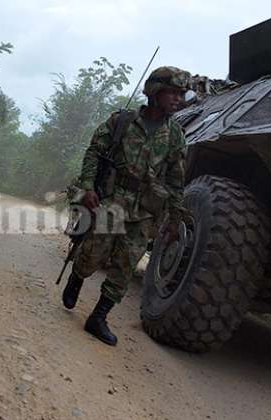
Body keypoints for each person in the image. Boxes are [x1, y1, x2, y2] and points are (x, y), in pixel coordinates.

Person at [61, 66, 191, 346]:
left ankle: (99, 317)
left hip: (145, 210)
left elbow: (176, 180)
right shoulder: (122, 121)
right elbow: (94, 151)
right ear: (155, 91)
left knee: (125, 265)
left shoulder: (176, 136)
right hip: (112, 199)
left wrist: (173, 219)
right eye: (173, 92)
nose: (179, 99)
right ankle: (77, 276)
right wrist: (87, 187)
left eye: (182, 94)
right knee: (93, 254)